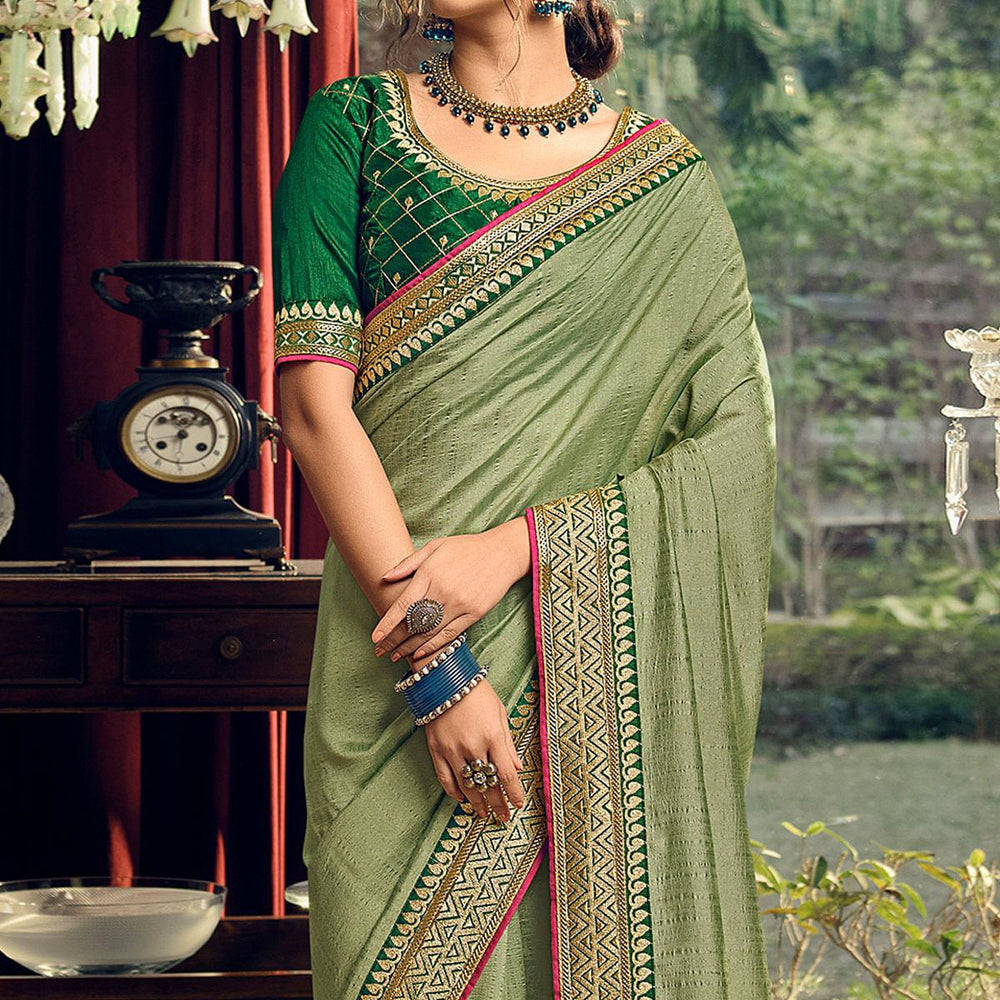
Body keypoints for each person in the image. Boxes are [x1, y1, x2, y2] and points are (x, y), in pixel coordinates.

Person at [270, 0, 777, 994]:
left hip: (587, 681)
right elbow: (312, 411)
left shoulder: (664, 182)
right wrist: (439, 672)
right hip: (394, 652)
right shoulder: (356, 129)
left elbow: (732, 447)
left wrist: (518, 547)